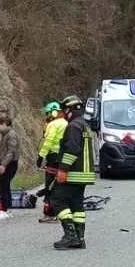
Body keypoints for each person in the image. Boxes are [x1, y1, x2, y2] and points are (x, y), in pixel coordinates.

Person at [51, 95, 95, 250]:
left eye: (64, 110)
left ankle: (70, 236)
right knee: (77, 205)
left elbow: (72, 149)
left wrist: (63, 169)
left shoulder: (73, 126)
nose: (63, 113)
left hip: (74, 172)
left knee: (57, 200)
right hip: (84, 174)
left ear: (69, 109)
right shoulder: (85, 125)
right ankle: (80, 238)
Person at [37, 101, 68, 223]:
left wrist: (41, 156)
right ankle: (58, 211)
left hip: (53, 157)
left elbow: (48, 141)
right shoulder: (66, 123)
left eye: (48, 113)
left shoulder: (53, 124)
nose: (47, 116)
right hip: (62, 158)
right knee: (58, 185)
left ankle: (49, 213)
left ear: (53, 112)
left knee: (49, 185)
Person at [0, 114, 20, 221]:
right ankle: (7, 209)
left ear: (4, 124)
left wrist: (3, 165)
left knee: (3, 186)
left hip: (10, 164)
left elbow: (11, 152)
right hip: (8, 163)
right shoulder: (6, 134)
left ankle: (4, 210)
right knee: (5, 186)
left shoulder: (11, 135)